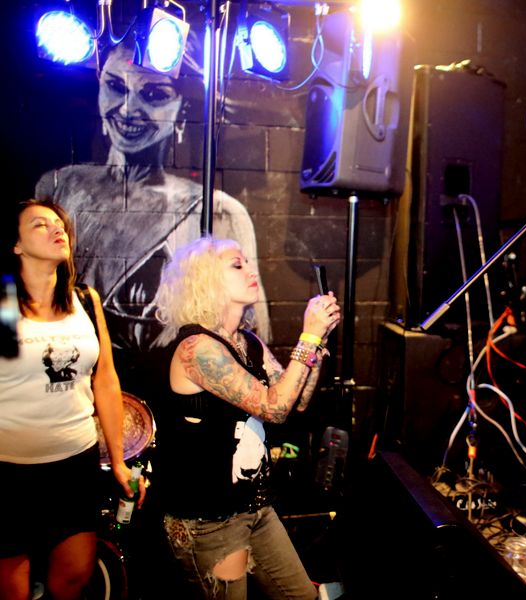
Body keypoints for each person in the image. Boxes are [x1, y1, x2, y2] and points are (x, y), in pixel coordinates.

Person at [34, 38, 270, 365]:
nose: (128, 109)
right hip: (72, 377)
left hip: (172, 382)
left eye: (154, 94)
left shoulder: (218, 210)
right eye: (116, 87)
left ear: (182, 108)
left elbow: (256, 332)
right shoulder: (62, 185)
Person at [152, 236, 339, 600]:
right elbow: (273, 408)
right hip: (208, 520)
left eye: (247, 263)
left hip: (254, 507)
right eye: (236, 265)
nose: (250, 270)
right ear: (206, 280)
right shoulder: (197, 348)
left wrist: (318, 341)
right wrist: (308, 336)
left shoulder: (247, 341)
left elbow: (295, 400)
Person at [0, 199, 145, 600]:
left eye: (59, 224)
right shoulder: (5, 303)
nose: (56, 229)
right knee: (12, 589)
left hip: (74, 464)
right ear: (16, 245)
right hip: (10, 470)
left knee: (75, 577)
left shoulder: (83, 299)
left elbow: (106, 380)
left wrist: (118, 461)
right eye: (39, 225)